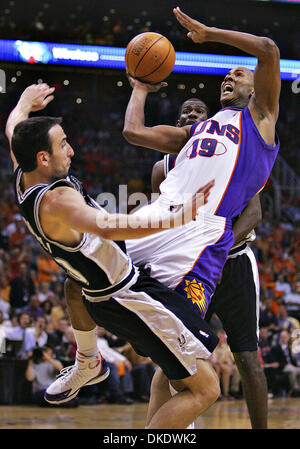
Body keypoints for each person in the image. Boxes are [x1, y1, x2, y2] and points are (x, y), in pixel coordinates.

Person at [6, 84, 218, 429]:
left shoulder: (23, 175)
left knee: (74, 283)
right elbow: (111, 225)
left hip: (95, 291)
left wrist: (24, 104)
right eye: (63, 144)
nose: (71, 150)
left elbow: (14, 128)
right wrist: (179, 216)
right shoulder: (57, 202)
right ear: (43, 158)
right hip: (128, 296)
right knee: (206, 388)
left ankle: (88, 360)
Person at [122, 7, 280, 429]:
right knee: (172, 354)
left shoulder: (260, 121)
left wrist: (209, 34)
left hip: (223, 249)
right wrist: (139, 86)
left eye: (238, 75)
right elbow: (134, 133)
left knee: (245, 357)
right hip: (183, 243)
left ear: (257, 90)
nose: (228, 78)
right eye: (224, 76)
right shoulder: (200, 131)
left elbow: (267, 49)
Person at [151, 97, 266, 427]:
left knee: (246, 357)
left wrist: (218, 242)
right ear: (179, 126)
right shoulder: (164, 168)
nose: (190, 115)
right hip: (192, 267)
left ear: (208, 123)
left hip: (233, 264)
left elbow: (254, 213)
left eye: (198, 112)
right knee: (174, 353)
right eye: (185, 112)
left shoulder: (235, 155)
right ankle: (175, 426)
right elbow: (162, 220)